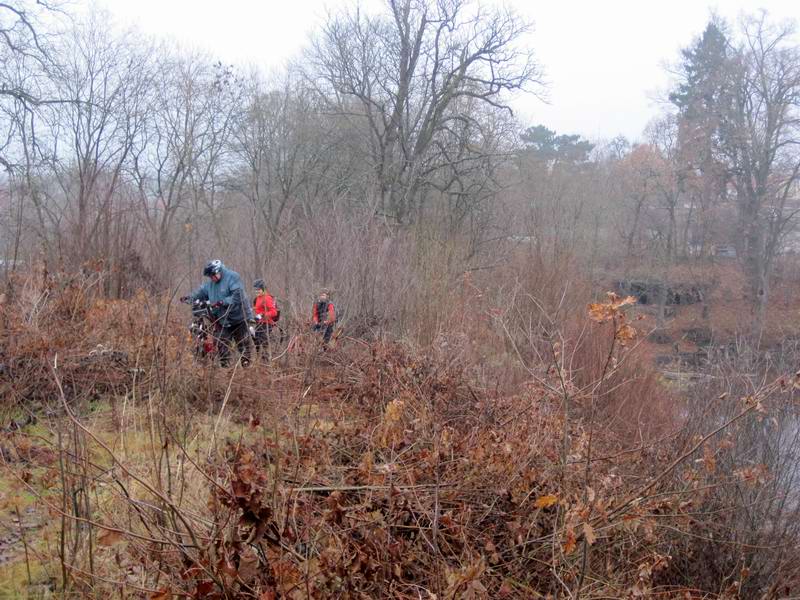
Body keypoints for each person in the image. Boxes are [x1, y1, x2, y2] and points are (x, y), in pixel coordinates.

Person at [181, 259, 254, 367]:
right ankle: (225, 369)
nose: (212, 278)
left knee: (243, 346)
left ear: (218, 271)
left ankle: (247, 368)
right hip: (223, 321)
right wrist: (189, 298)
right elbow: (200, 292)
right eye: (210, 277)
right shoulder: (210, 285)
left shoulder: (232, 277)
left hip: (238, 319)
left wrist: (222, 302)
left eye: (213, 275)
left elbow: (238, 295)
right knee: (222, 345)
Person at [252, 278, 278, 357]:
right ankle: (258, 357)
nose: (257, 292)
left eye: (258, 290)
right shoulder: (257, 298)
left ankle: (266, 358)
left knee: (263, 342)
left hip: (267, 323)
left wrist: (263, 315)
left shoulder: (267, 298)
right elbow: (257, 308)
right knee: (255, 339)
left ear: (263, 289)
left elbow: (274, 312)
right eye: (255, 290)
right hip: (259, 323)